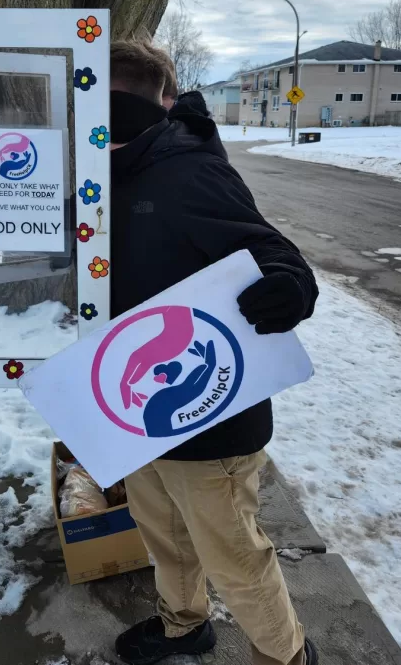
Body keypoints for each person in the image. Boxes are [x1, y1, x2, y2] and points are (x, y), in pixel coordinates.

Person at [109, 39, 319, 665]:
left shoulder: (189, 171)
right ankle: (184, 625)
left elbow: (274, 252)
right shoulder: (103, 174)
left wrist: (290, 288)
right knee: (165, 536)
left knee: (234, 555)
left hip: (215, 418)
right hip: (142, 412)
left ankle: (286, 655)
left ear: (163, 104)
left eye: (123, 111)